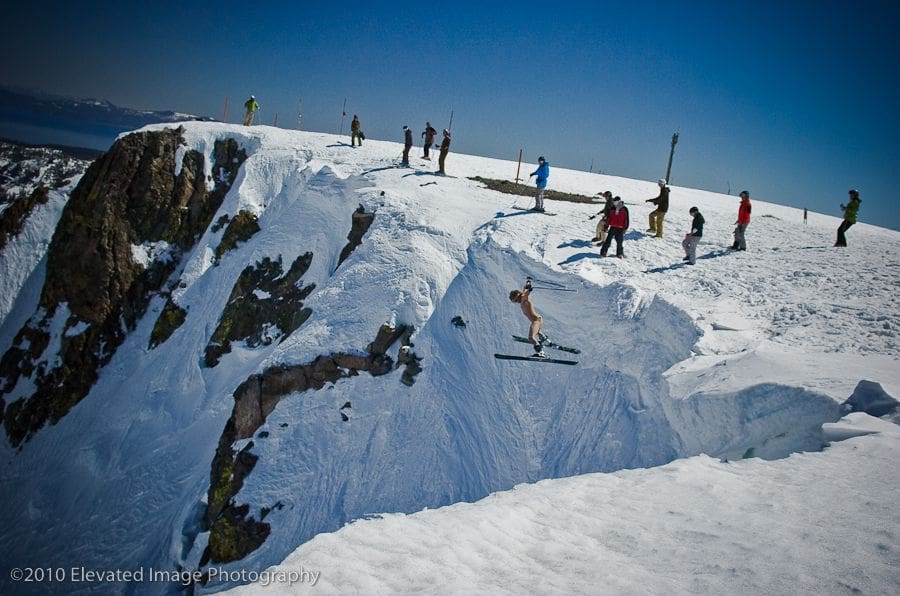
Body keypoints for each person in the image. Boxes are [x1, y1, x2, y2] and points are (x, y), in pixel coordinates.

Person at [508, 277, 546, 358]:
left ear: (518, 296)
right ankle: (544, 339)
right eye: (514, 302)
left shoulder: (524, 298)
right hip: (536, 320)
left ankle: (541, 353)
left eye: (515, 300)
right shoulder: (522, 297)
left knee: (531, 337)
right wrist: (528, 281)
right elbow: (526, 288)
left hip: (536, 321)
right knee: (537, 332)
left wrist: (529, 290)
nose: (516, 302)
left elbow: (526, 292)